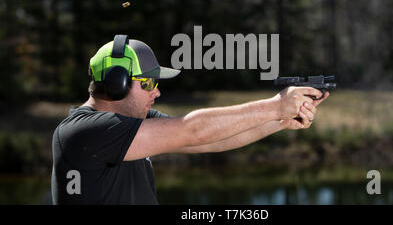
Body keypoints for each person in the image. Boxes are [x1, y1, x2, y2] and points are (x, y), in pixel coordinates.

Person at [51, 34, 329, 205]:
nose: (157, 91)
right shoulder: (84, 132)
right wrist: (275, 106)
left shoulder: (133, 123)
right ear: (117, 83)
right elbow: (193, 130)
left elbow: (207, 140)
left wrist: (280, 120)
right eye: (148, 83)